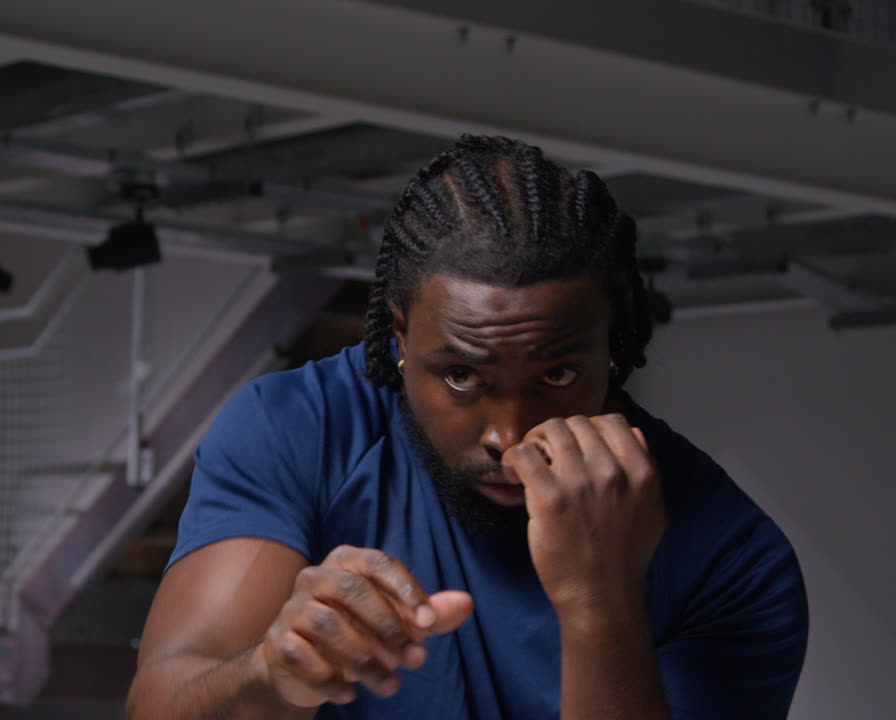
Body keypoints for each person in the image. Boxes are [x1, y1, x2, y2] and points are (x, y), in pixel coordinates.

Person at [125, 136, 808, 720]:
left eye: (558, 377)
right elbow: (161, 697)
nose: (509, 438)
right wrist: (270, 674)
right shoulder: (301, 430)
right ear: (399, 333)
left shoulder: (734, 560)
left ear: (615, 341)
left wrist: (601, 602)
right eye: (461, 377)